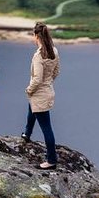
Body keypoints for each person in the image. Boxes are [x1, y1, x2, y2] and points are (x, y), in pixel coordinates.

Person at [22, 22, 60, 169]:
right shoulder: (54, 51)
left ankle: (51, 160)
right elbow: (56, 71)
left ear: (37, 36)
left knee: (46, 128)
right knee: (31, 109)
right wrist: (48, 82)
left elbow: (37, 78)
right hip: (48, 91)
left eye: (33, 35)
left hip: (39, 93)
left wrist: (29, 90)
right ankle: (27, 133)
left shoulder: (39, 56)